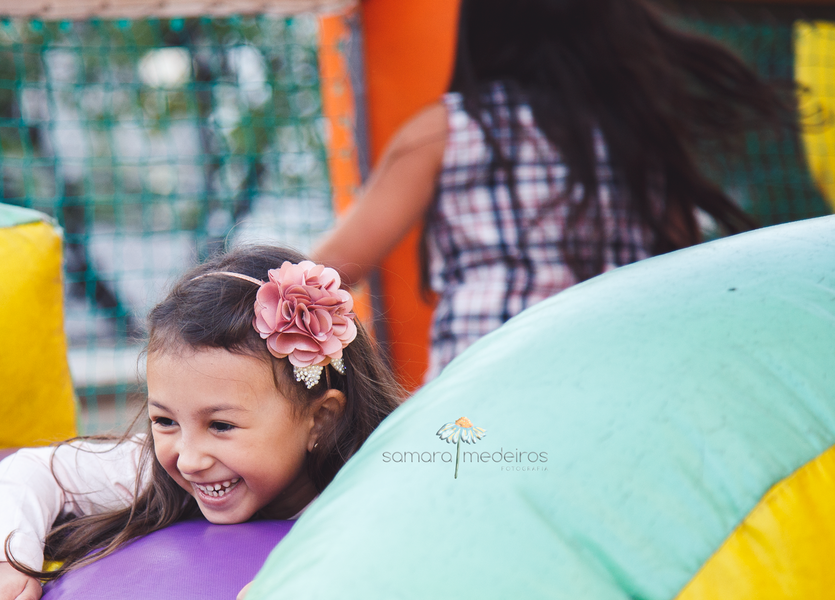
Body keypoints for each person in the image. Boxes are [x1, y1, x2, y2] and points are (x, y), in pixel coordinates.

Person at [0, 245, 404, 600]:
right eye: (164, 421)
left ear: (319, 421)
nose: (190, 457)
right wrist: (8, 561)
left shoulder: (371, 489)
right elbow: (36, 470)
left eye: (221, 426)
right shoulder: (158, 473)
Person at [313, 0, 789, 382]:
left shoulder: (448, 130)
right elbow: (678, 267)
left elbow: (323, 273)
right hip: (621, 383)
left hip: (486, 384)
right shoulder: (639, 135)